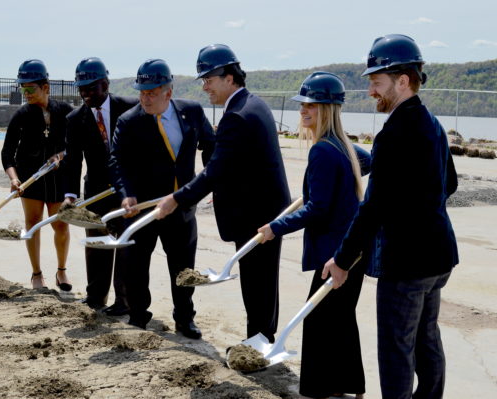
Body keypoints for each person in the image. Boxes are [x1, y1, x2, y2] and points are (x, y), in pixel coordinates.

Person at [323, 34, 459, 399]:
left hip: (407, 263)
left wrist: (342, 259)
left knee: (397, 349)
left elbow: (374, 206)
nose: (370, 91)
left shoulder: (396, 131)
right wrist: (422, 211)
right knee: (425, 340)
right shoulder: (432, 123)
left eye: (376, 82)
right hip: (438, 255)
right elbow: (451, 183)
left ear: (403, 80)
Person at [156, 44, 291, 343]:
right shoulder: (253, 104)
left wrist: (176, 198)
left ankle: (258, 344)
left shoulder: (237, 115)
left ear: (230, 78)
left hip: (256, 214)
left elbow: (216, 169)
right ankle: (262, 339)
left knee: (257, 283)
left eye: (209, 79)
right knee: (264, 282)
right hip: (266, 210)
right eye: (202, 80)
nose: (205, 86)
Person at [257, 72, 370, 399]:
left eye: (313, 105)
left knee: (319, 322)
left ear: (329, 108)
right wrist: (332, 187)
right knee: (341, 319)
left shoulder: (322, 151)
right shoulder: (344, 146)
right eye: (303, 104)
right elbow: (369, 162)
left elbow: (317, 210)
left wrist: (274, 228)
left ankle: (319, 391)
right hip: (354, 251)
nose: (305, 110)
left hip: (334, 254)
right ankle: (351, 387)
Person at [109, 59, 215, 338]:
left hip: (181, 207)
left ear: (168, 91)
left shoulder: (191, 112)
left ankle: (184, 319)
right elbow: (118, 162)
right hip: (143, 209)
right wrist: (126, 195)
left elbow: (211, 146)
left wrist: (210, 181)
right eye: (142, 92)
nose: (145, 98)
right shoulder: (128, 121)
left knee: (183, 267)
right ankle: (138, 316)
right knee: (136, 266)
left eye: (152, 92)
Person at [63, 57, 138, 315]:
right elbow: (72, 161)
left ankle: (124, 301)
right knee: (97, 245)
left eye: (91, 88)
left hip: (128, 191)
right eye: (81, 89)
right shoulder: (75, 120)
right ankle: (95, 297)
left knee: (125, 244)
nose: (85, 94)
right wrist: (70, 196)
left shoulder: (130, 107)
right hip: (95, 192)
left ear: (105, 84)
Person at [1, 59, 73, 290]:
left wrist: (61, 155)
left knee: (60, 225)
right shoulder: (20, 116)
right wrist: (14, 179)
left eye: (31, 88)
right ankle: (36, 274)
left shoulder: (66, 112)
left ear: (46, 87)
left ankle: (62, 271)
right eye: (23, 88)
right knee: (32, 224)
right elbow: (7, 153)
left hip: (58, 179)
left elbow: (77, 145)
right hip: (29, 179)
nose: (26, 93)